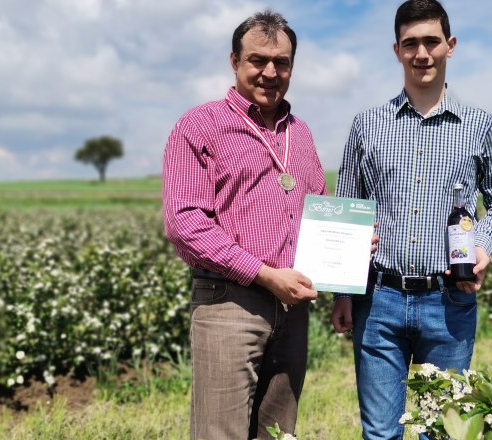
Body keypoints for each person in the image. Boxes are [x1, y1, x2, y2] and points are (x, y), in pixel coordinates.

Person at [330, 0, 492, 438]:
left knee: (443, 431)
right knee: (380, 433)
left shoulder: (481, 126)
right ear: (396, 50)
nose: (422, 53)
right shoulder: (367, 126)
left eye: (431, 42)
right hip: (379, 301)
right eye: (411, 43)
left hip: (449, 301)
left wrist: (484, 246)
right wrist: (343, 292)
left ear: (450, 46)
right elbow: (348, 207)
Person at [162, 10, 326, 439]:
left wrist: (347, 249)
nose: (270, 72)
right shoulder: (200, 125)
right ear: (234, 61)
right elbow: (185, 224)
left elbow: (319, 209)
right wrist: (266, 275)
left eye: (282, 62)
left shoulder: (301, 133)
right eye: (258, 60)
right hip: (228, 304)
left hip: (292, 310)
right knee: (222, 432)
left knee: (278, 431)